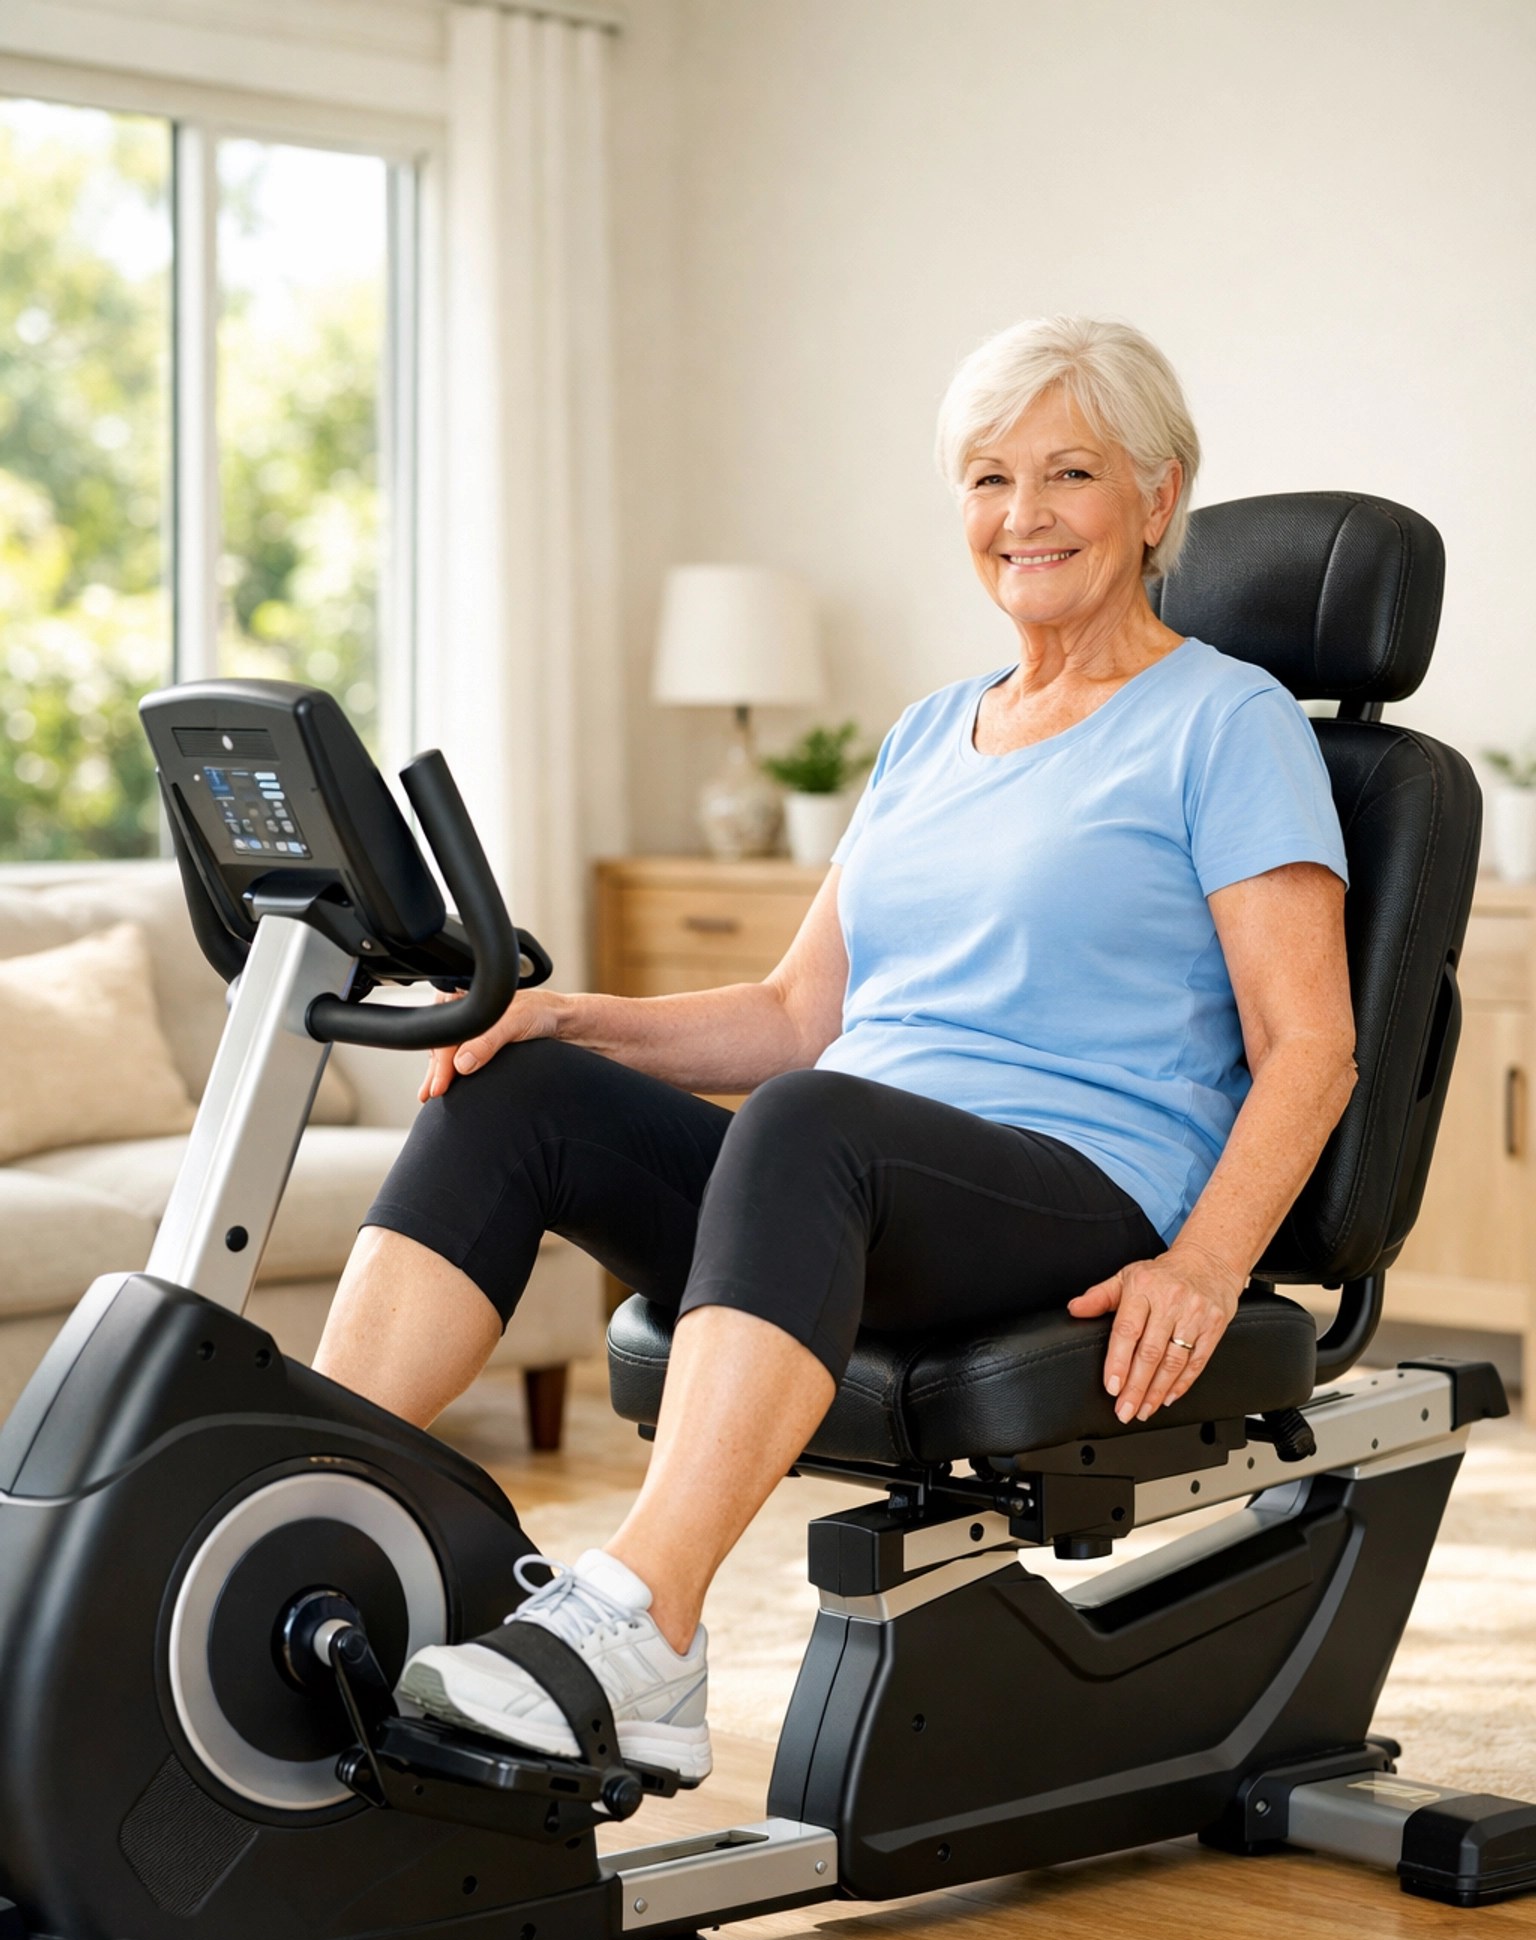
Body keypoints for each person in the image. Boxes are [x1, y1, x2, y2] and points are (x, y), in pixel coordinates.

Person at [314, 315, 1355, 1787]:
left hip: (1074, 1190)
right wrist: (567, 1013)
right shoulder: (932, 732)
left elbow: (1310, 1043)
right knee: (526, 1094)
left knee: (813, 1121)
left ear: (1158, 497)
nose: (1024, 515)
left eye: (1069, 472)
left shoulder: (1227, 723)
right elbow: (797, 1016)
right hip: (856, 1173)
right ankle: (294, 1494)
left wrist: (1207, 1262)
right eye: (990, 479)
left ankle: (649, 1627)